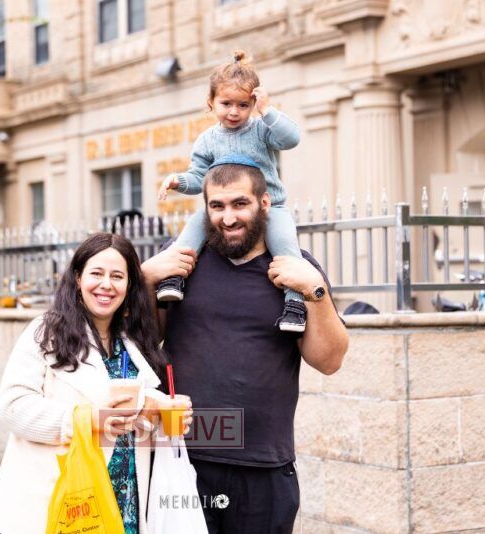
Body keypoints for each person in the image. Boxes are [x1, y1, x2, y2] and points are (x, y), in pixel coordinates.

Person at [142, 160, 349, 534]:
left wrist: (315, 290)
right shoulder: (181, 263)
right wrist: (145, 279)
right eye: (217, 206)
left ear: (265, 203)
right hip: (184, 461)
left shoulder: (294, 270)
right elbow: (142, 342)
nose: (228, 218)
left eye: (240, 204)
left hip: (264, 469)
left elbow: (329, 361)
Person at [0, 233, 191, 534]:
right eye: (97, 273)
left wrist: (159, 409)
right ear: (78, 278)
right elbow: (13, 407)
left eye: (117, 276)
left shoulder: (133, 340)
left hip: (120, 505)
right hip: (54, 504)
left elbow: (131, 414)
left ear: (129, 285)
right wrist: (87, 419)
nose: (106, 284)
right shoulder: (46, 332)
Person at [156, 50, 306, 332]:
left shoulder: (261, 129)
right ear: (211, 103)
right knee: (190, 231)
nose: (234, 112)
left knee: (285, 245)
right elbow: (198, 177)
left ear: (253, 104)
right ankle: (174, 277)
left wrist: (268, 110)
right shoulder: (207, 140)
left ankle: (295, 303)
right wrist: (178, 181)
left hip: (270, 208)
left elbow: (291, 139)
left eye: (243, 105)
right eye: (226, 104)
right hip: (224, 205)